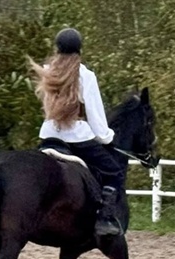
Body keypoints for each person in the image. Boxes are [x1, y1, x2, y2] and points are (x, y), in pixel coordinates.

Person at [32, 27, 127, 237]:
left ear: (57, 49)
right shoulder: (86, 76)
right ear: (79, 49)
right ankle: (104, 219)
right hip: (77, 136)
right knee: (114, 172)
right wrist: (107, 138)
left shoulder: (48, 72)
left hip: (48, 135)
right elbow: (95, 116)